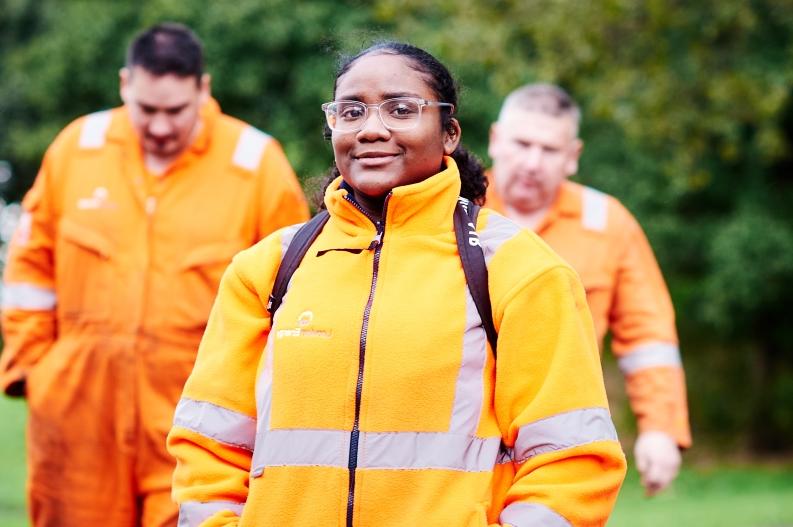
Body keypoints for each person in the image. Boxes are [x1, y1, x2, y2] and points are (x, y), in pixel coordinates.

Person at [167, 41, 626, 527]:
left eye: (401, 109)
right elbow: (210, 447)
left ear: (449, 133)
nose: (371, 128)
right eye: (352, 111)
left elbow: (571, 463)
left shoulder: (520, 270)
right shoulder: (267, 269)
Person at [0, 22, 309, 527]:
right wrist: (36, 370)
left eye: (176, 111)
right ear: (125, 85)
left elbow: (292, 295)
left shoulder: (256, 165)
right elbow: (30, 265)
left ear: (203, 90)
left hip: (195, 421)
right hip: (79, 419)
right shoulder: (76, 148)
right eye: (147, 110)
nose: (161, 127)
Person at [486, 83, 692, 496]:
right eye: (521, 143)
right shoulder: (455, 209)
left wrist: (660, 430)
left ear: (573, 157)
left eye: (548, 150)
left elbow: (648, 336)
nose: (531, 162)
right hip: (468, 437)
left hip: (563, 438)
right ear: (494, 140)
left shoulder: (608, 223)